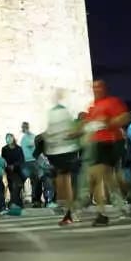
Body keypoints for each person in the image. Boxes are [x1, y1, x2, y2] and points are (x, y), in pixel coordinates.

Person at [84, 80, 131, 227]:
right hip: (97, 145)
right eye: (94, 87)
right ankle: (108, 211)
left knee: (108, 177)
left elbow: (126, 117)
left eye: (99, 87)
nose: (96, 90)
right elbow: (87, 125)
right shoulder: (92, 108)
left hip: (112, 142)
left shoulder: (113, 102)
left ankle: (126, 198)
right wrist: (75, 132)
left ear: (105, 89)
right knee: (102, 178)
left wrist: (110, 122)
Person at [43, 92, 81, 226]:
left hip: (62, 152)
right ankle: (69, 212)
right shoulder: (62, 113)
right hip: (64, 151)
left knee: (64, 181)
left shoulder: (57, 113)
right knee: (64, 181)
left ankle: (70, 212)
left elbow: (51, 133)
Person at [19, 121, 41, 207]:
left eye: (25, 126)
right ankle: (20, 199)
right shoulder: (23, 138)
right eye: (23, 127)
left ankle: (36, 200)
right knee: (21, 181)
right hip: (25, 162)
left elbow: (35, 144)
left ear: (28, 127)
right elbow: (25, 146)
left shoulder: (33, 136)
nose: (24, 128)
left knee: (36, 181)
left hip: (34, 161)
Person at [1, 133, 25, 211]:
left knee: (17, 184)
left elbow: (21, 160)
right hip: (8, 171)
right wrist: (8, 166)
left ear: (13, 138)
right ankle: (15, 202)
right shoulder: (4, 149)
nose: (9, 139)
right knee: (13, 185)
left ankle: (14, 202)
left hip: (18, 170)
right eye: (7, 138)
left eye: (10, 137)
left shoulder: (19, 148)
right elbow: (3, 160)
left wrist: (14, 165)